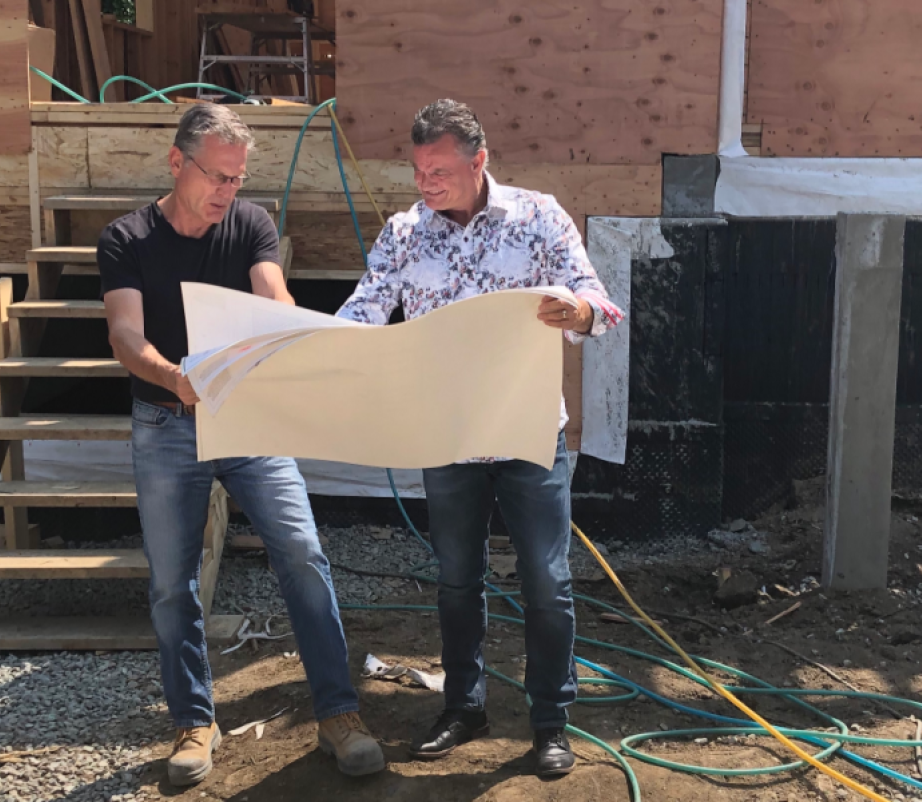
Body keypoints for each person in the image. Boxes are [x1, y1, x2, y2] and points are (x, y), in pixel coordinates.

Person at [335, 99, 625, 777]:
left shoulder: (538, 216)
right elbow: (363, 311)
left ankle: (550, 721)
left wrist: (579, 311)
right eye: (417, 170)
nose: (425, 183)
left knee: (546, 582)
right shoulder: (404, 233)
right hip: (449, 436)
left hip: (528, 433)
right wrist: (304, 346)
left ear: (479, 161)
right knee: (456, 581)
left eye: (438, 170)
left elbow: (599, 302)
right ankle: (464, 707)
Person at [97, 103, 384, 786]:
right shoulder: (125, 238)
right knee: (172, 582)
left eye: (237, 178)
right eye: (217, 176)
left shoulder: (251, 223)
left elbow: (271, 292)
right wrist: (174, 377)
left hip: (249, 417)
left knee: (303, 552)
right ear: (177, 162)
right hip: (166, 420)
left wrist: (290, 328)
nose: (228, 191)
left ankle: (338, 714)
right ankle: (193, 722)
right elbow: (124, 335)